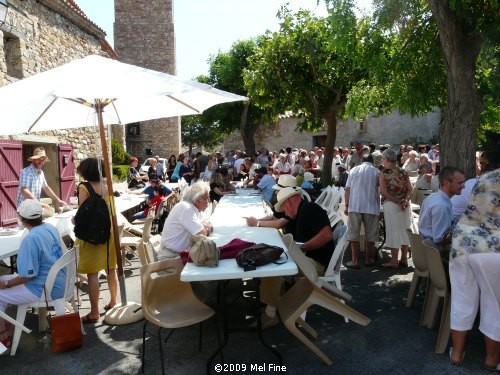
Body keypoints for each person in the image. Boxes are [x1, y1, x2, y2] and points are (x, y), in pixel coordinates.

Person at [449, 169, 500, 370]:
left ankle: (457, 354)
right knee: (495, 303)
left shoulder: (488, 175)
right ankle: (491, 359)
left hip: (463, 239)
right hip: (493, 245)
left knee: (462, 299)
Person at [0, 199, 64, 350]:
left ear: (23, 219)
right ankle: (5, 328)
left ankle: (3, 337)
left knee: (2, 287)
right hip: (58, 281)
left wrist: (6, 284)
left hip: (42, 288)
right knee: (2, 279)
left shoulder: (31, 238)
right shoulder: (50, 227)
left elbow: (28, 275)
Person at [74, 158, 118, 323]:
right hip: (108, 232)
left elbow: (83, 215)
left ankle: (94, 312)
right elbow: (112, 210)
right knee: (110, 268)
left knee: (92, 273)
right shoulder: (108, 186)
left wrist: (74, 220)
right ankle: (114, 301)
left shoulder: (84, 187)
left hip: (91, 235)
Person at [159, 182, 213, 259]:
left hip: (179, 254)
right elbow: (202, 233)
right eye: (207, 198)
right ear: (198, 200)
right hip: (171, 257)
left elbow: (207, 222)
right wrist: (206, 229)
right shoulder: (186, 208)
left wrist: (205, 227)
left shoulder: (194, 209)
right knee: (209, 262)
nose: (209, 200)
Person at [344, 154, 380, 268]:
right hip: (371, 205)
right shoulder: (376, 171)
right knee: (371, 233)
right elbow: (381, 189)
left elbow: (347, 189)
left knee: (353, 233)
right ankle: (368, 259)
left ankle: (354, 260)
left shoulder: (354, 170)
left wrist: (346, 205)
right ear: (372, 161)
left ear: (362, 160)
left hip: (355, 205)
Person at [379, 149, 413, 268]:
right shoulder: (403, 171)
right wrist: (405, 200)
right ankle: (404, 259)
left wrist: (397, 201)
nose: (382, 161)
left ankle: (394, 261)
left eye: (383, 159)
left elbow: (383, 191)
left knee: (393, 231)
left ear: (387, 160)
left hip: (392, 205)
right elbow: (410, 189)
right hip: (404, 205)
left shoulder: (384, 172)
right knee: (405, 230)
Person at [418, 166, 465, 250]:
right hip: (438, 253)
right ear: (446, 183)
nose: (463, 186)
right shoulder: (441, 205)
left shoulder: (433, 197)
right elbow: (439, 239)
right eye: (459, 183)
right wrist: (463, 235)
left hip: (427, 248)